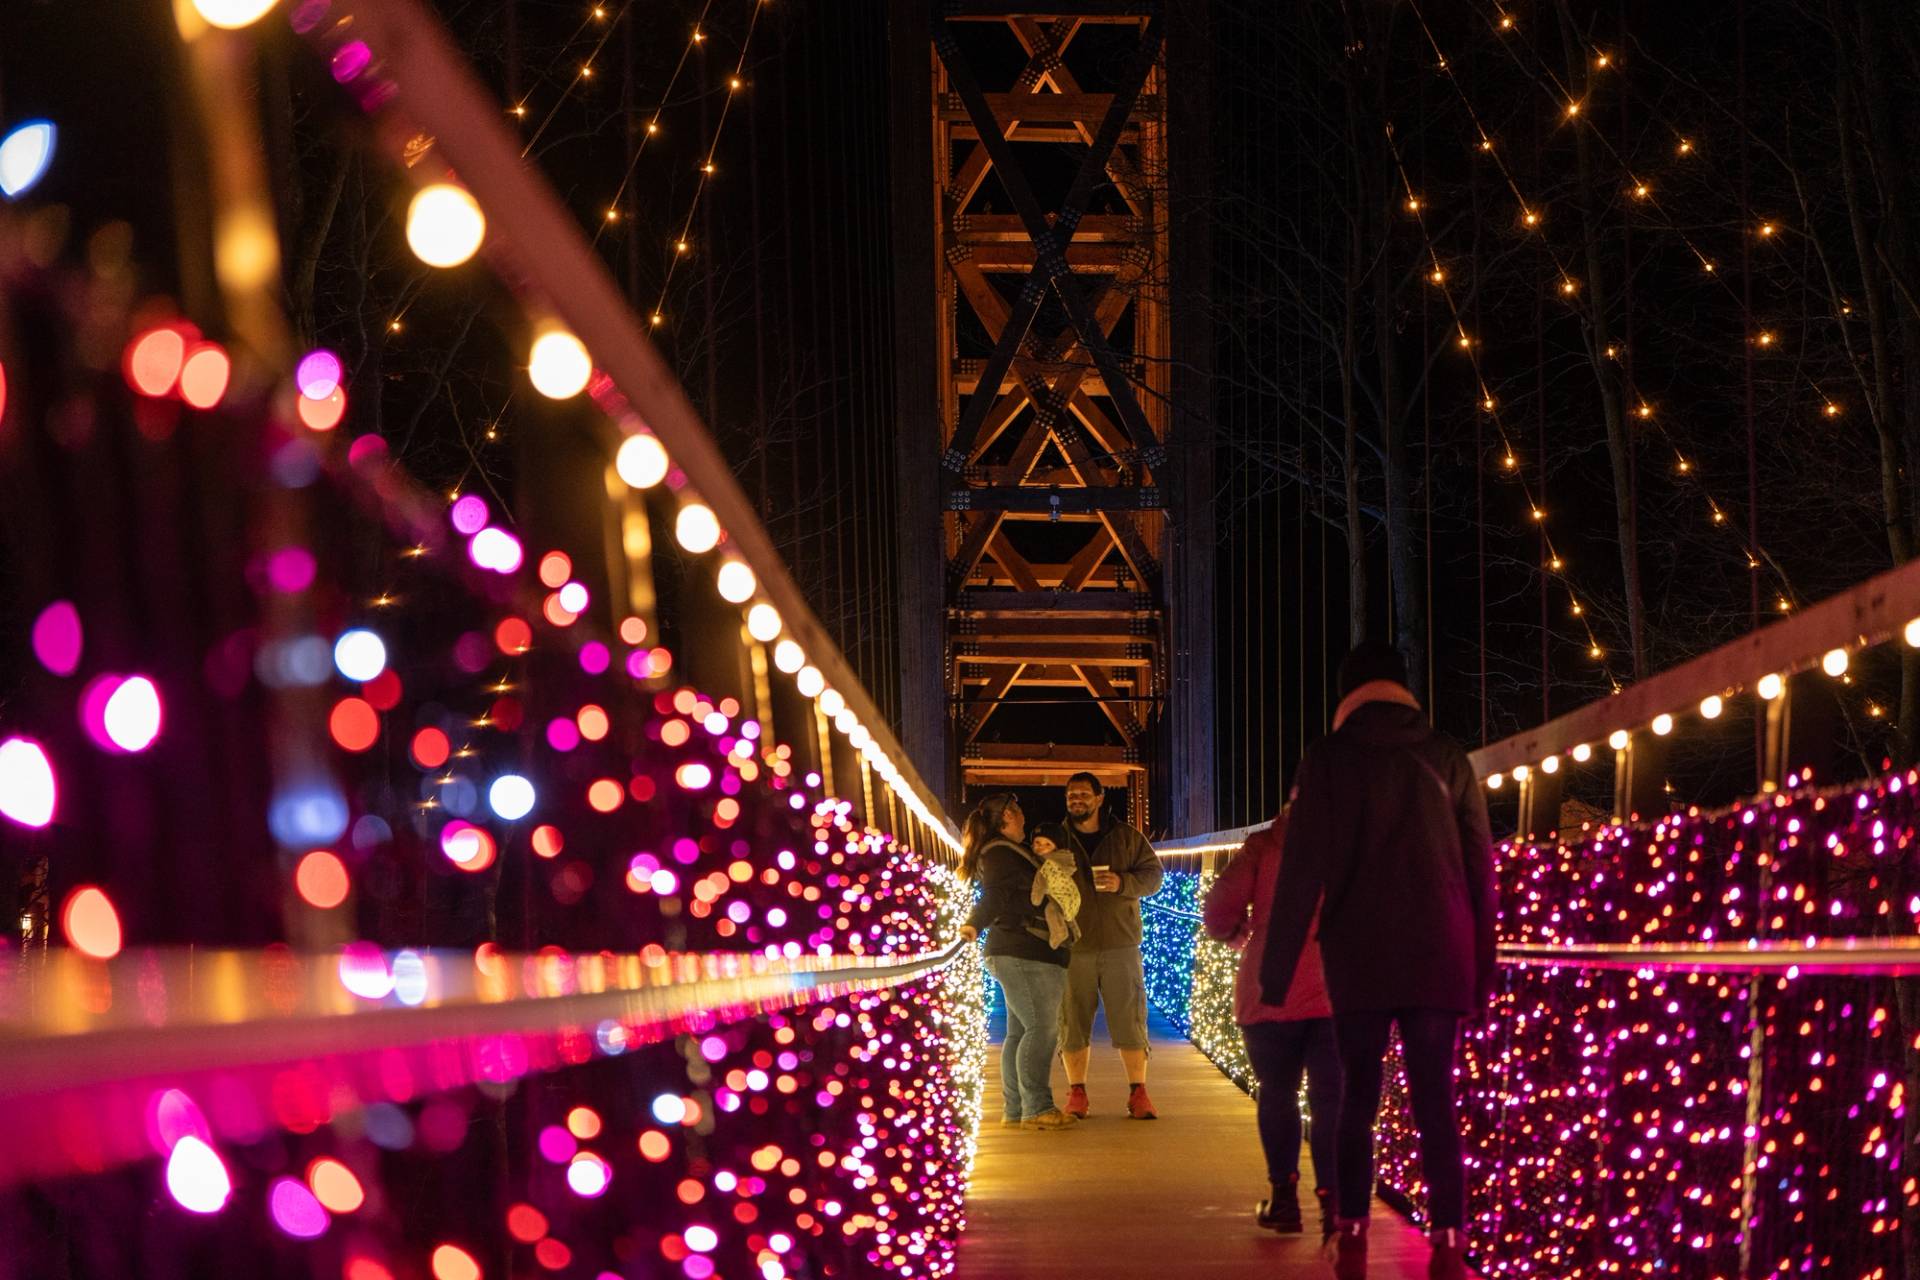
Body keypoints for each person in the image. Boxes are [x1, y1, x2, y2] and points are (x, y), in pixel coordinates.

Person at [1259, 642, 1495, 1280]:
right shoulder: (1447, 755)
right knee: (1434, 1100)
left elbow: (1302, 867)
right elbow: (1480, 866)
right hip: (1439, 954)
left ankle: (1353, 1236)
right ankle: (1448, 1242)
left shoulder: (1328, 758)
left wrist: (1274, 973)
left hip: (1359, 955)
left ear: (1348, 694)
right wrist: (1481, 970)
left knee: (1358, 1097)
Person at [1203, 811, 1339, 1241]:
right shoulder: (1357, 840)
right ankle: (1336, 1205)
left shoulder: (1263, 845)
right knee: (1332, 1101)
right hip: (1339, 989)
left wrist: (1236, 931)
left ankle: (1284, 1202)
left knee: (1278, 1092)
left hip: (1269, 987)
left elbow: (1217, 909)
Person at [959, 793, 1077, 1131]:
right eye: (1019, 809)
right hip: (1024, 951)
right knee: (1042, 1028)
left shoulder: (1006, 852)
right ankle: (1037, 1107)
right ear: (1007, 816)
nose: (1024, 814)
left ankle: (1015, 1109)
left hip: (1021, 951)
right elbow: (994, 895)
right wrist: (973, 924)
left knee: (1020, 1032)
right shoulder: (1000, 853)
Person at [1056, 772, 1164, 1120]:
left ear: (1100, 798)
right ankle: (1077, 1094)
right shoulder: (1056, 841)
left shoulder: (1128, 838)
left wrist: (1122, 882)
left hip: (1121, 943)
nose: (1077, 800)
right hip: (1074, 944)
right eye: (1072, 794)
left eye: (1084, 794)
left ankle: (1139, 1093)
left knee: (1130, 1018)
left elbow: (1154, 877)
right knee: (1072, 1020)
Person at [1026, 821, 1083, 949]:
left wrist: (1036, 898)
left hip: (1064, 896)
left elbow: (1039, 883)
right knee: (1059, 912)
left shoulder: (1050, 864)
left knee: (1051, 910)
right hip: (1070, 897)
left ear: (1056, 848)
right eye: (1037, 843)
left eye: (1047, 844)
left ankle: (1059, 932)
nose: (1041, 847)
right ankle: (1075, 932)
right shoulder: (1062, 860)